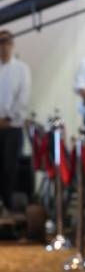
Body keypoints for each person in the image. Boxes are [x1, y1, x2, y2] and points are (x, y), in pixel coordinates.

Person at [0, 30, 31, 213]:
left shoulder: (21, 69)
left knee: (9, 168)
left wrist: (8, 118)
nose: (3, 46)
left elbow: (23, 98)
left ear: (12, 44)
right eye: (0, 42)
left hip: (12, 127)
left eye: (6, 42)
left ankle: (8, 206)